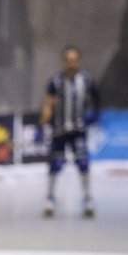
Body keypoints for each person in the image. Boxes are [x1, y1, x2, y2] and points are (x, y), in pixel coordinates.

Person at [39, 45, 99, 218]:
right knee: (55, 164)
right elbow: (48, 104)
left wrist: (94, 116)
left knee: (83, 163)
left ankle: (88, 198)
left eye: (74, 60)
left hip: (78, 130)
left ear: (78, 61)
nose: (71, 63)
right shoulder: (56, 81)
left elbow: (96, 98)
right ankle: (50, 197)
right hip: (60, 130)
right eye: (68, 60)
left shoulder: (86, 79)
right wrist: (42, 124)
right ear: (64, 61)